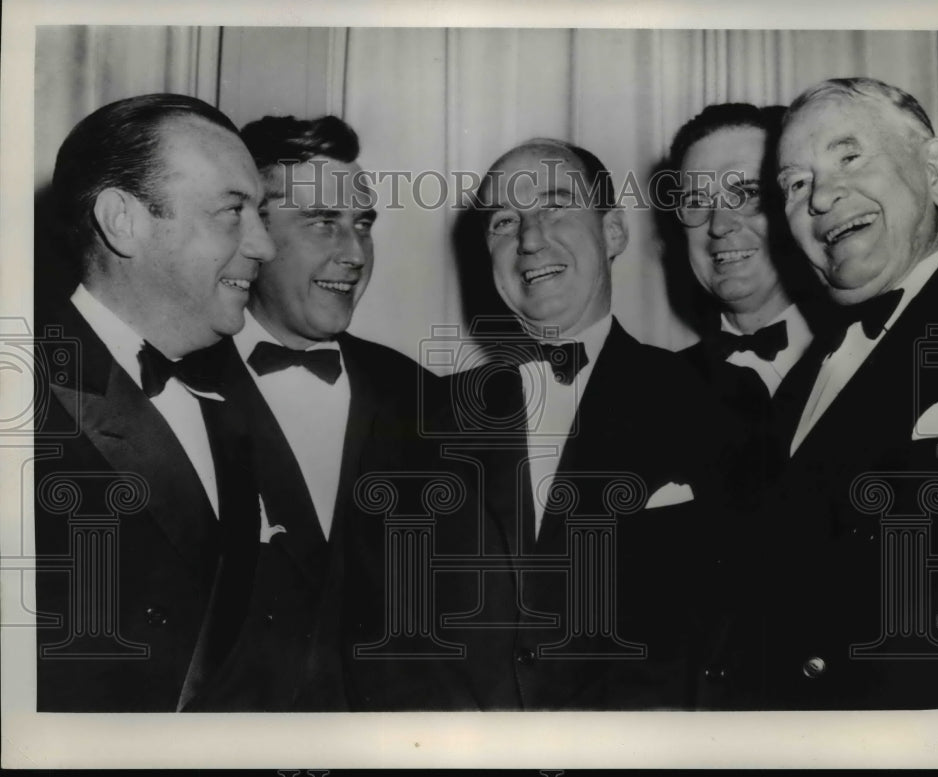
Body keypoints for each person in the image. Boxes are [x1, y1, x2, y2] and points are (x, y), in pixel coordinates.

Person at [195, 114, 496, 710]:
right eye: (322, 223)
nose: (355, 253)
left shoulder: (420, 396)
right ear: (250, 231)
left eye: (362, 224)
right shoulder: (175, 385)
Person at [449, 138, 749, 708]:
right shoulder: (426, 419)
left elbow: (737, 631)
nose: (530, 239)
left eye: (556, 206)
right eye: (504, 221)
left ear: (613, 232)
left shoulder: (717, 402)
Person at [705, 78, 938, 709]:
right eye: (795, 184)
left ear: (935, 172)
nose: (821, 196)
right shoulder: (809, 374)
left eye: (849, 158)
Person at [34, 93, 276, 711]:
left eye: (261, 213)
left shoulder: (232, 399)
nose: (265, 247)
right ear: (123, 220)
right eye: (232, 211)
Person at [665, 103, 832, 463]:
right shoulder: (656, 391)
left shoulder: (864, 356)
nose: (719, 224)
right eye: (696, 200)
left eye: (746, 193)